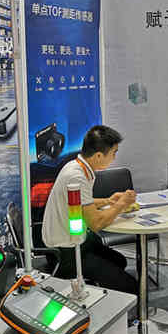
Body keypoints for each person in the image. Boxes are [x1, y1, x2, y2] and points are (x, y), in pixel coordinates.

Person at [42, 125, 138, 294]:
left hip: (78, 240)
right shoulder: (76, 176)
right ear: (99, 155)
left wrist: (108, 201)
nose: (115, 157)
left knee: (119, 261)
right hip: (66, 251)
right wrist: (121, 204)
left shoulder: (77, 166)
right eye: (114, 152)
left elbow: (80, 203)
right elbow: (96, 223)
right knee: (131, 288)